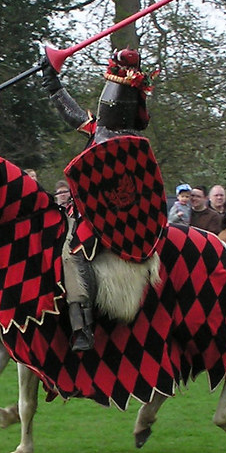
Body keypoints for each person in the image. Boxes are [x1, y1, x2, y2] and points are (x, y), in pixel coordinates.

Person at [40, 48, 155, 351]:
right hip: (87, 213)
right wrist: (52, 83)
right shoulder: (99, 130)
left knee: (71, 252)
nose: (103, 109)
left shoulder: (131, 144)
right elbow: (72, 113)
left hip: (116, 221)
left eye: (108, 105)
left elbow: (129, 195)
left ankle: (82, 326)